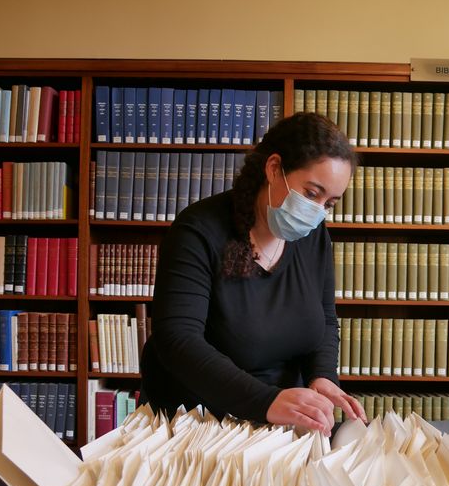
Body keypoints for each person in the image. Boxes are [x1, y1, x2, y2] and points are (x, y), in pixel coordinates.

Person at [140, 112, 367, 436]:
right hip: (197, 422)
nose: (318, 212)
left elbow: (325, 319)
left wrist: (322, 377)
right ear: (274, 169)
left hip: (280, 421)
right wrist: (266, 401)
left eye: (329, 203)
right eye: (311, 193)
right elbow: (178, 340)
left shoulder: (313, 237)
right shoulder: (198, 231)